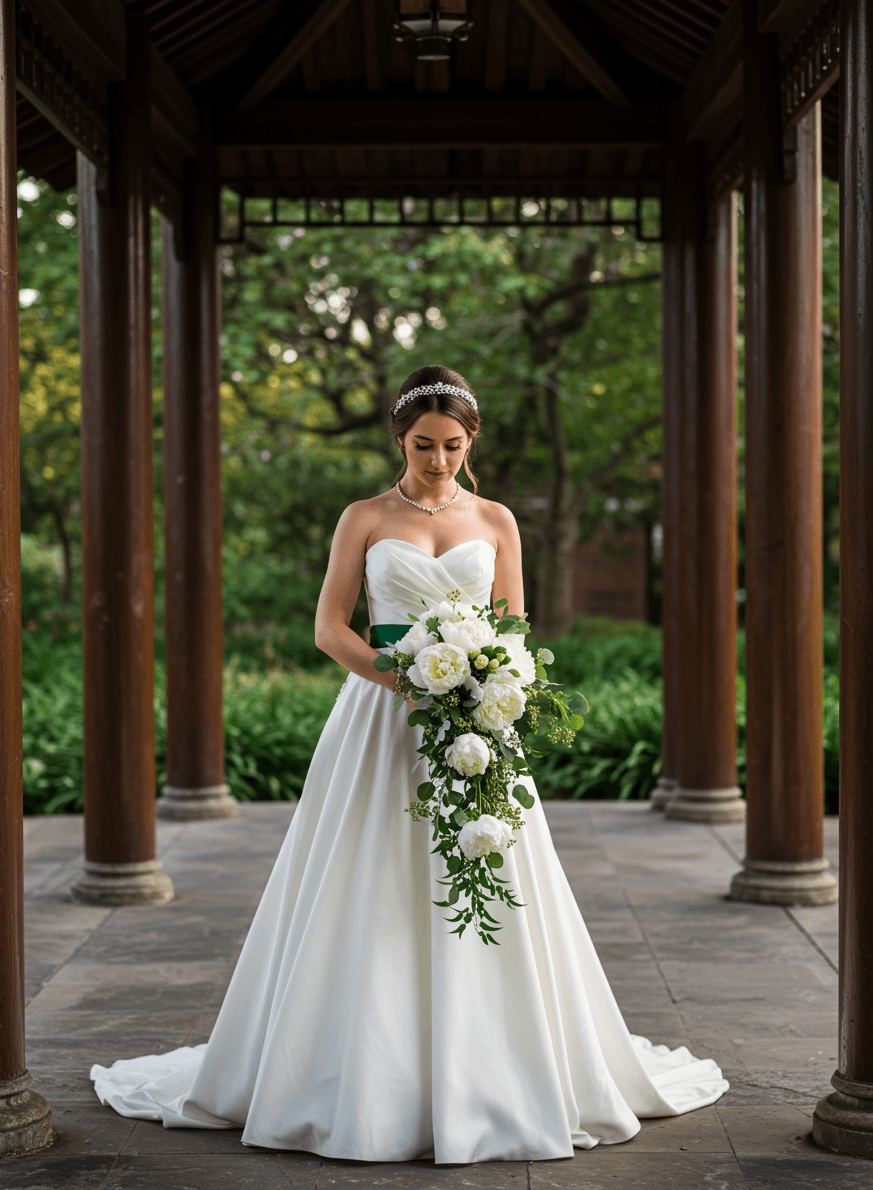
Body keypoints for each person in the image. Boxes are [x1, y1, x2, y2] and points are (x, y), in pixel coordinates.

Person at [91, 364, 728, 1164]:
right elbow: (329, 628)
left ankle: (493, 1071)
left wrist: (485, 681)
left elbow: (515, 627)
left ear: (471, 441)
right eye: (424, 445)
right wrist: (402, 676)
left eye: (453, 445)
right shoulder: (363, 517)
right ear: (400, 439)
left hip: (476, 720)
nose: (438, 461)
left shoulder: (497, 519)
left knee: (491, 872)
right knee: (371, 881)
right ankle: (361, 1073)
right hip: (381, 718)